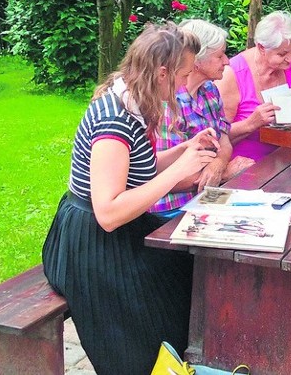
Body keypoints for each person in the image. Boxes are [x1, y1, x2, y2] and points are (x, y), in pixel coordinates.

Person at [42, 23, 220, 375]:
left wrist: (185, 148)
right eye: (182, 76)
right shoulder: (115, 119)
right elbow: (107, 211)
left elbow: (139, 170)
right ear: (161, 72)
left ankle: (184, 360)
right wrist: (179, 168)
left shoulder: (135, 102)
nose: (185, 85)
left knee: (187, 269)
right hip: (89, 242)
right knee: (148, 314)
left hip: (114, 231)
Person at [150, 19, 255, 218]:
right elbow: (158, 176)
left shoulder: (210, 90)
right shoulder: (167, 101)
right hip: (170, 210)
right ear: (196, 61)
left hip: (206, 199)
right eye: (219, 55)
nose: (227, 61)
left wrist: (218, 165)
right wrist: (223, 174)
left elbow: (224, 142)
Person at [216, 10, 291, 161]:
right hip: (247, 165)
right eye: (282, 54)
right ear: (261, 48)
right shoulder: (233, 74)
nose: (289, 58)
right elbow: (216, 135)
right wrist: (251, 123)